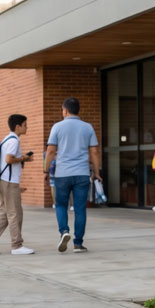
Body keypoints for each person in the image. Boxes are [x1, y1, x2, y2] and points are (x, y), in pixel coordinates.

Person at [44, 98, 100, 253]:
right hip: (82, 173)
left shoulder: (57, 127)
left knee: (61, 205)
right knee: (80, 208)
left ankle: (64, 231)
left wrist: (46, 170)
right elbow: (94, 152)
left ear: (65, 110)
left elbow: (50, 151)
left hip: (62, 174)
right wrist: (97, 172)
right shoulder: (88, 127)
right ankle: (78, 244)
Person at [0, 114, 34, 255]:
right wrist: (24, 158)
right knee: (15, 213)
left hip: (5, 182)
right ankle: (17, 246)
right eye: (25, 125)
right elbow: (9, 159)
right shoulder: (14, 141)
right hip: (9, 182)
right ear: (18, 126)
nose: (27, 127)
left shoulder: (7, 139)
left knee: (5, 213)